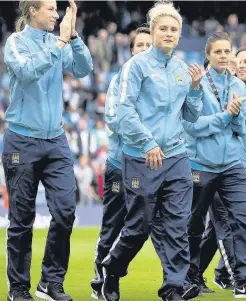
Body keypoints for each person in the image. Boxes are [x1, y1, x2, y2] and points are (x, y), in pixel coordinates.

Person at [100, 2, 204, 300]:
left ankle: (172, 288)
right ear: (153, 29)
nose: (169, 34)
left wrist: (196, 89)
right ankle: (113, 268)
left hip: (176, 157)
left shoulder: (184, 69)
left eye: (174, 30)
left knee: (177, 224)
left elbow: (191, 116)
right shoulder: (136, 66)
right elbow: (124, 111)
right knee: (139, 225)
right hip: (141, 157)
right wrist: (147, 143)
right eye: (164, 28)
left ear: (179, 34)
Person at [3, 1, 93, 300]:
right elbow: (28, 72)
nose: (57, 14)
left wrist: (74, 37)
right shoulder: (15, 42)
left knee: (66, 211)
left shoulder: (60, 41)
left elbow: (83, 69)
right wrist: (60, 42)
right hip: (22, 140)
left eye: (58, 9)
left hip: (55, 141)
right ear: (32, 11)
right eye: (51, 8)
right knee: (21, 220)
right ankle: (18, 288)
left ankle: (50, 281)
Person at [189, 44, 246, 297]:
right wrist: (228, 117)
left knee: (238, 224)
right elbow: (192, 124)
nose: (240, 64)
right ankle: (234, 276)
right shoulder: (205, 85)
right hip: (223, 165)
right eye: (238, 59)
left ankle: (201, 275)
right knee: (217, 226)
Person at [91, 26, 152, 300]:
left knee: (154, 223)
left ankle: (177, 280)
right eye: (139, 45)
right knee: (113, 223)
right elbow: (114, 119)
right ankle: (100, 280)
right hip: (121, 160)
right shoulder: (121, 79)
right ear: (131, 50)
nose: (144, 49)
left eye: (149, 45)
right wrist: (146, 135)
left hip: (153, 164)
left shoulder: (161, 82)